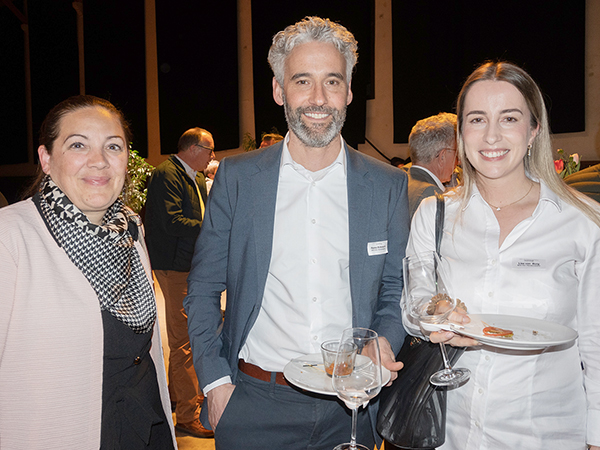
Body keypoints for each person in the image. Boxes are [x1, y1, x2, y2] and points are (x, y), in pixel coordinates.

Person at [184, 16, 409, 450]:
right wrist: (215, 383)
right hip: (254, 403)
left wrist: (383, 341)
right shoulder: (238, 178)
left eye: (332, 82)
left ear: (348, 91)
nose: (318, 99)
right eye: (302, 81)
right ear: (278, 90)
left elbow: (396, 287)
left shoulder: (387, 185)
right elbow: (204, 286)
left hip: (351, 406)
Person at [404, 61, 600, 449]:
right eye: (477, 119)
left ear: (533, 130)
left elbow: (597, 343)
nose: (491, 135)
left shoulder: (582, 222)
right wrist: (434, 315)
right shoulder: (434, 214)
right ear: (461, 133)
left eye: (509, 118)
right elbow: (413, 304)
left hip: (547, 435)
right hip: (450, 432)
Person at [0, 95, 176, 449]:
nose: (99, 161)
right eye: (78, 145)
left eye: (113, 146)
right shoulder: (11, 236)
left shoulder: (130, 232)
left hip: (145, 426)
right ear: (46, 159)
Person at [144, 127, 214, 438]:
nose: (213, 156)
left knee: (191, 335)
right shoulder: (166, 174)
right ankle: (187, 415)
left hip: (191, 264)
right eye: (209, 150)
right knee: (183, 341)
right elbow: (171, 221)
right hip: (173, 267)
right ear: (194, 148)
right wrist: (211, 226)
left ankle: (178, 396)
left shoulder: (195, 177)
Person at [405, 112, 457, 217]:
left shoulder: (402, 182)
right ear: (442, 156)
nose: (458, 161)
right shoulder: (432, 197)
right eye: (457, 153)